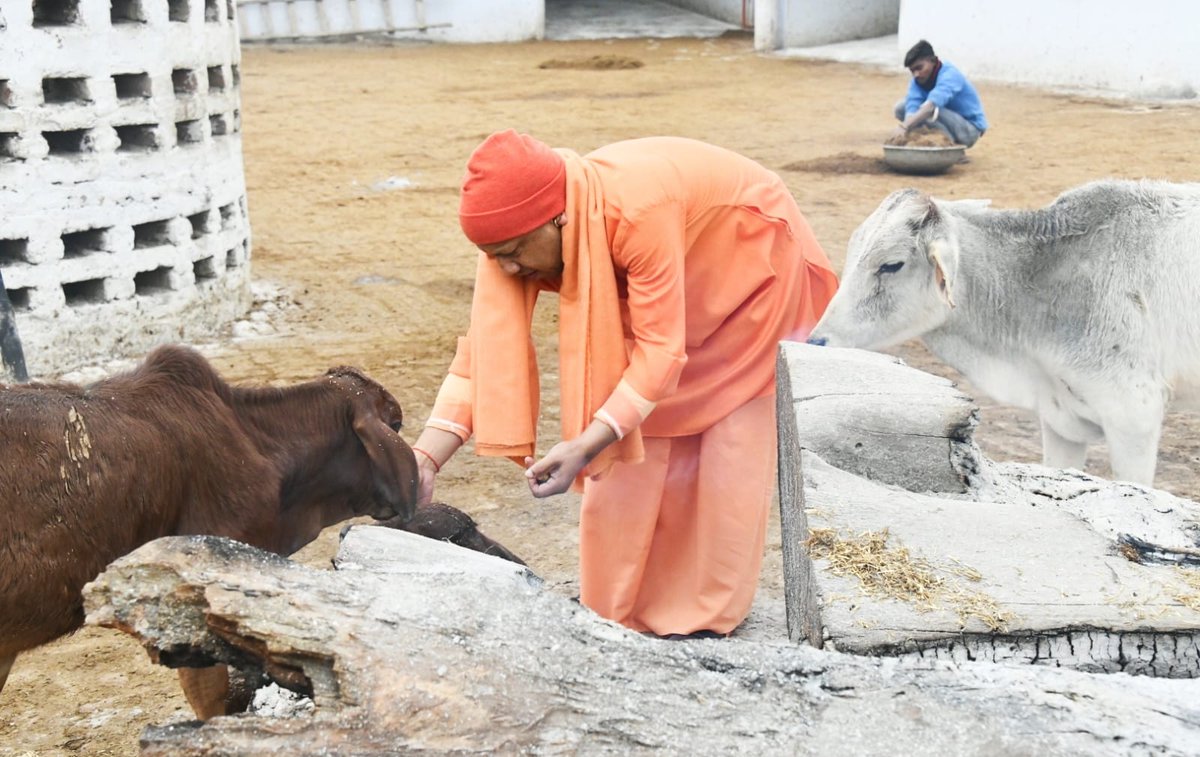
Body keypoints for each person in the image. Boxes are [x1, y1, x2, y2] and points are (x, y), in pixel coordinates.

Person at [410, 130, 838, 638]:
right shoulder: (519, 233)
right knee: (634, 443)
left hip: (754, 280)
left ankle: (702, 622)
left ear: (558, 218)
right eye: (492, 255)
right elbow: (485, 351)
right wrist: (425, 458)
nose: (505, 267)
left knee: (724, 449)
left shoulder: (637, 210)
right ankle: (614, 613)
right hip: (669, 297)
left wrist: (588, 444)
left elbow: (661, 352)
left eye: (511, 252)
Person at [891, 39, 988, 148]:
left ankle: (951, 148)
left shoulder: (950, 74)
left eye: (919, 68)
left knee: (928, 112)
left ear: (933, 61)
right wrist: (908, 129)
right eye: (912, 70)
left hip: (969, 129)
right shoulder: (917, 80)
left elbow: (930, 107)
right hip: (946, 120)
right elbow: (911, 108)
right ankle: (933, 142)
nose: (916, 74)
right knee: (901, 108)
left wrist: (904, 127)